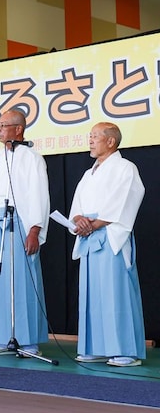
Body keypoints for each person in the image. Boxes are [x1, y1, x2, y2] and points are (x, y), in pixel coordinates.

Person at [69, 122, 146, 367]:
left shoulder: (125, 168)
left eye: (95, 136)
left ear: (111, 141)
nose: (90, 141)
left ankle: (125, 350)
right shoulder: (88, 174)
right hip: (89, 237)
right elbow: (77, 207)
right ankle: (95, 347)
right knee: (92, 295)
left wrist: (95, 223)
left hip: (111, 235)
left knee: (116, 294)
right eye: (90, 136)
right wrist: (79, 220)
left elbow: (125, 201)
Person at [0, 108, 49, 355]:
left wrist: (34, 230)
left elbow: (39, 195)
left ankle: (28, 341)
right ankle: (2, 337)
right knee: (0, 282)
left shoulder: (32, 158)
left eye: (3, 126)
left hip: (21, 223)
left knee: (23, 282)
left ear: (18, 129)